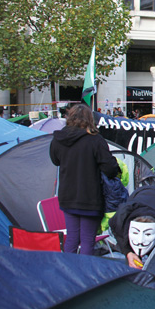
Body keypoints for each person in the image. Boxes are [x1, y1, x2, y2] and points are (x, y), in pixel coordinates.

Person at [49, 104, 120, 255]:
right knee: (88, 240)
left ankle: (69, 272)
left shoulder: (58, 138)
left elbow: (55, 160)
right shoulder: (95, 140)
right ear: (90, 119)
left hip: (67, 196)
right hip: (90, 197)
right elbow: (110, 168)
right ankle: (85, 275)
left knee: (72, 238)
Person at [109, 184, 155, 269]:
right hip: (141, 194)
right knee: (132, 260)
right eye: (135, 233)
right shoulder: (121, 219)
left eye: (148, 234)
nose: (140, 241)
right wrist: (128, 252)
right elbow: (116, 231)